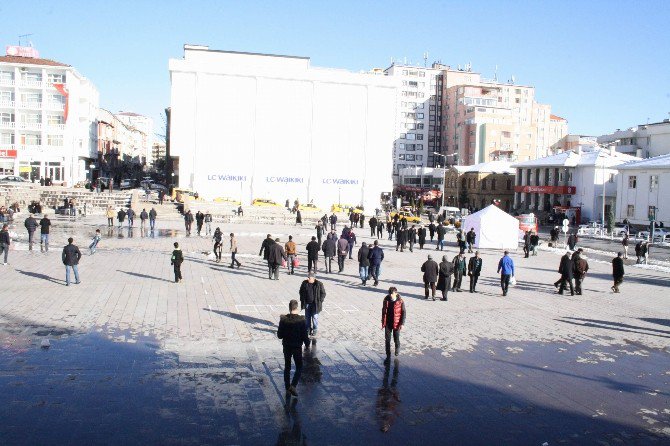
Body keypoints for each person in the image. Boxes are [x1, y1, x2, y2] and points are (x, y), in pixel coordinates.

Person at [277, 299, 310, 399]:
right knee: (299, 367)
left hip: (286, 346)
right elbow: (304, 335)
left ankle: (287, 387)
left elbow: (279, 335)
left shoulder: (283, 320)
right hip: (296, 347)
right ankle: (293, 385)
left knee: (287, 367)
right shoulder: (301, 320)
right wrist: (307, 344)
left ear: (289, 308)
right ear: (297, 308)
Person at [381, 287, 406, 362]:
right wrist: (383, 321)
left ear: (396, 293)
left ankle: (397, 348)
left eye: (392, 293)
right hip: (388, 323)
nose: (391, 295)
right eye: (390, 294)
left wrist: (402, 323)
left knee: (396, 338)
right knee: (387, 339)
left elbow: (404, 312)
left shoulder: (400, 301)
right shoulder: (386, 300)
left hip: (397, 323)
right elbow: (383, 311)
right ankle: (388, 354)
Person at [299, 273, 326, 337]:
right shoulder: (304, 283)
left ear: (313, 278)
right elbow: (301, 291)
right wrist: (302, 299)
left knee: (315, 317)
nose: (307, 278)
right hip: (307, 303)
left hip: (315, 304)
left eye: (309, 278)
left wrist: (320, 301)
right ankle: (308, 329)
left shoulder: (319, 284)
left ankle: (315, 329)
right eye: (308, 277)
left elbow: (323, 293)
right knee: (307, 318)